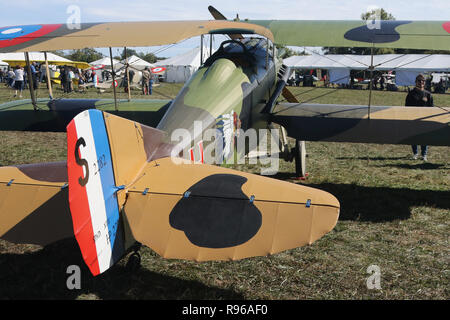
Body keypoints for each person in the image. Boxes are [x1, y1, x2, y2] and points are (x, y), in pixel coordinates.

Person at [405, 74, 433, 161]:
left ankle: (424, 154)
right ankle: (415, 153)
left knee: (424, 137)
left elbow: (432, 108)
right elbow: (407, 107)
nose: (421, 82)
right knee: (414, 137)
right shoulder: (411, 94)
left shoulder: (428, 94)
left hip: (425, 119)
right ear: (416, 82)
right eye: (419, 80)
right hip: (413, 119)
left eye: (423, 81)